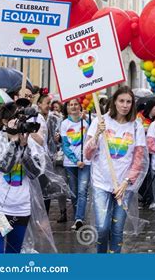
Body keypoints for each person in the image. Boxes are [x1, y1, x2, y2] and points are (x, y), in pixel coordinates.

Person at [84, 86, 146, 253]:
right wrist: (97, 134)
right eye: (121, 101)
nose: (125, 105)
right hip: (101, 183)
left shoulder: (136, 126)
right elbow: (88, 154)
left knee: (117, 230)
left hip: (124, 186)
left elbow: (139, 158)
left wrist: (126, 183)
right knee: (103, 228)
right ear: (114, 102)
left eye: (128, 102)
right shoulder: (100, 121)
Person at [0, 103, 44, 253]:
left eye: (21, 119)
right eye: (15, 118)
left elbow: (35, 173)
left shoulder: (29, 142)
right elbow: (4, 167)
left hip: (20, 209)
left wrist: (24, 147)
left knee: (13, 256)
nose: (19, 122)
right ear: (4, 121)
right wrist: (13, 143)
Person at [37, 89, 67, 222]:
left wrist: (58, 140)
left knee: (48, 189)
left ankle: (44, 219)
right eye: (47, 103)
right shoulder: (33, 119)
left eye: (50, 103)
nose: (49, 105)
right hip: (36, 160)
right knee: (38, 190)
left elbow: (58, 140)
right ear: (38, 104)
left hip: (49, 160)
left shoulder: (54, 119)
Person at [60, 99, 91, 231]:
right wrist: (75, 160)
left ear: (80, 106)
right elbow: (65, 146)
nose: (73, 107)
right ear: (67, 108)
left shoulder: (86, 122)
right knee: (73, 192)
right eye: (70, 105)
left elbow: (91, 140)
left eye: (75, 104)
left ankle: (79, 218)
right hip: (70, 163)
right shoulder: (64, 124)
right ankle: (77, 215)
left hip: (86, 162)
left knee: (82, 191)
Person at [137, 99, 155, 208]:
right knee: (143, 174)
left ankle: (149, 198)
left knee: (151, 175)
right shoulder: (140, 117)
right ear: (150, 108)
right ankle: (142, 195)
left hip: (153, 151)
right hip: (142, 151)